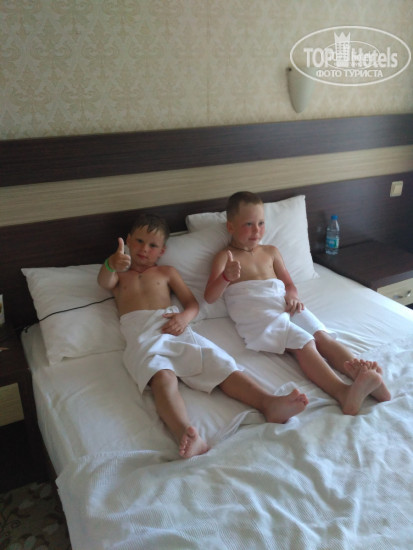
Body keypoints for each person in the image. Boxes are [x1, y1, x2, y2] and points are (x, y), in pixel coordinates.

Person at [98, 213, 308, 459]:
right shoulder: (120, 275)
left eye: (153, 245)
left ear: (162, 251)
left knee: (219, 362)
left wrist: (184, 318)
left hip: (173, 326)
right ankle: (185, 434)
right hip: (142, 335)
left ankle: (268, 402)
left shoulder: (167, 272)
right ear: (128, 240)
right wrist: (111, 263)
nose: (144, 249)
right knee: (162, 378)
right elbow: (104, 281)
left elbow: (192, 304)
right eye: (139, 241)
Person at [204, 191, 391, 416]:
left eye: (261, 223)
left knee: (322, 337)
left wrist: (292, 296)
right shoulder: (225, 257)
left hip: (284, 304)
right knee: (305, 343)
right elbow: (210, 297)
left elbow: (289, 284)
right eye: (249, 224)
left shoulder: (271, 251)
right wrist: (226, 277)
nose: (257, 230)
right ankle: (343, 393)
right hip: (258, 313)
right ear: (231, 227)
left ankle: (362, 376)